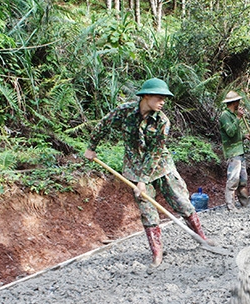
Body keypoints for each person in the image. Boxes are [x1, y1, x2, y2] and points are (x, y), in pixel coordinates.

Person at [84, 78, 215, 267]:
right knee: (148, 212)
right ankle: (157, 253)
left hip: (161, 167)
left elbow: (154, 154)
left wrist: (143, 181)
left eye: (165, 98)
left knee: (182, 202)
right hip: (134, 168)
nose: (163, 102)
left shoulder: (163, 121)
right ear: (145, 96)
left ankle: (202, 237)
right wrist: (91, 147)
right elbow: (103, 124)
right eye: (159, 97)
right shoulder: (125, 111)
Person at [219, 90, 250, 211]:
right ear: (234, 102)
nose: (240, 103)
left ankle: (245, 203)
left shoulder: (233, 115)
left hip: (240, 151)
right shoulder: (225, 116)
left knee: (243, 179)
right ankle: (230, 206)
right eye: (238, 101)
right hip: (233, 152)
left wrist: (244, 136)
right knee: (233, 179)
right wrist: (238, 118)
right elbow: (230, 132)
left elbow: (236, 134)